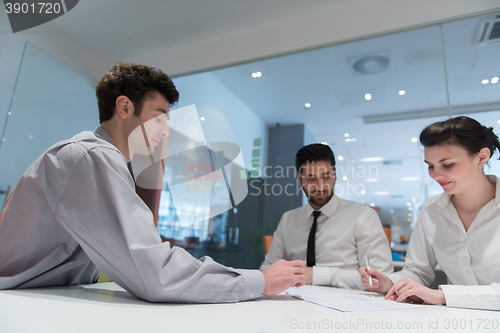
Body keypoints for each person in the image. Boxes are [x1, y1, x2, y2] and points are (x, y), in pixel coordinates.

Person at [0, 63, 305, 302]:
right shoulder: (91, 156)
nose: (164, 131)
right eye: (159, 118)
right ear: (124, 107)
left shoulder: (98, 157)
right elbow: (154, 274)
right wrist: (260, 282)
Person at [359, 116, 500, 311]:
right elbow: (418, 271)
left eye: (447, 164)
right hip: (454, 322)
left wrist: (441, 295)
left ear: (482, 157)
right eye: (430, 166)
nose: (435, 175)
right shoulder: (432, 210)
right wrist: (389, 282)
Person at [260, 144, 393, 290]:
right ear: (299, 179)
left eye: (326, 176)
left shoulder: (363, 216)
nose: (320, 187)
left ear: (335, 174)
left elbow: (380, 279)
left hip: (347, 305)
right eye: (311, 179)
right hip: (294, 303)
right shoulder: (289, 220)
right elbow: (267, 270)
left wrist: (316, 275)